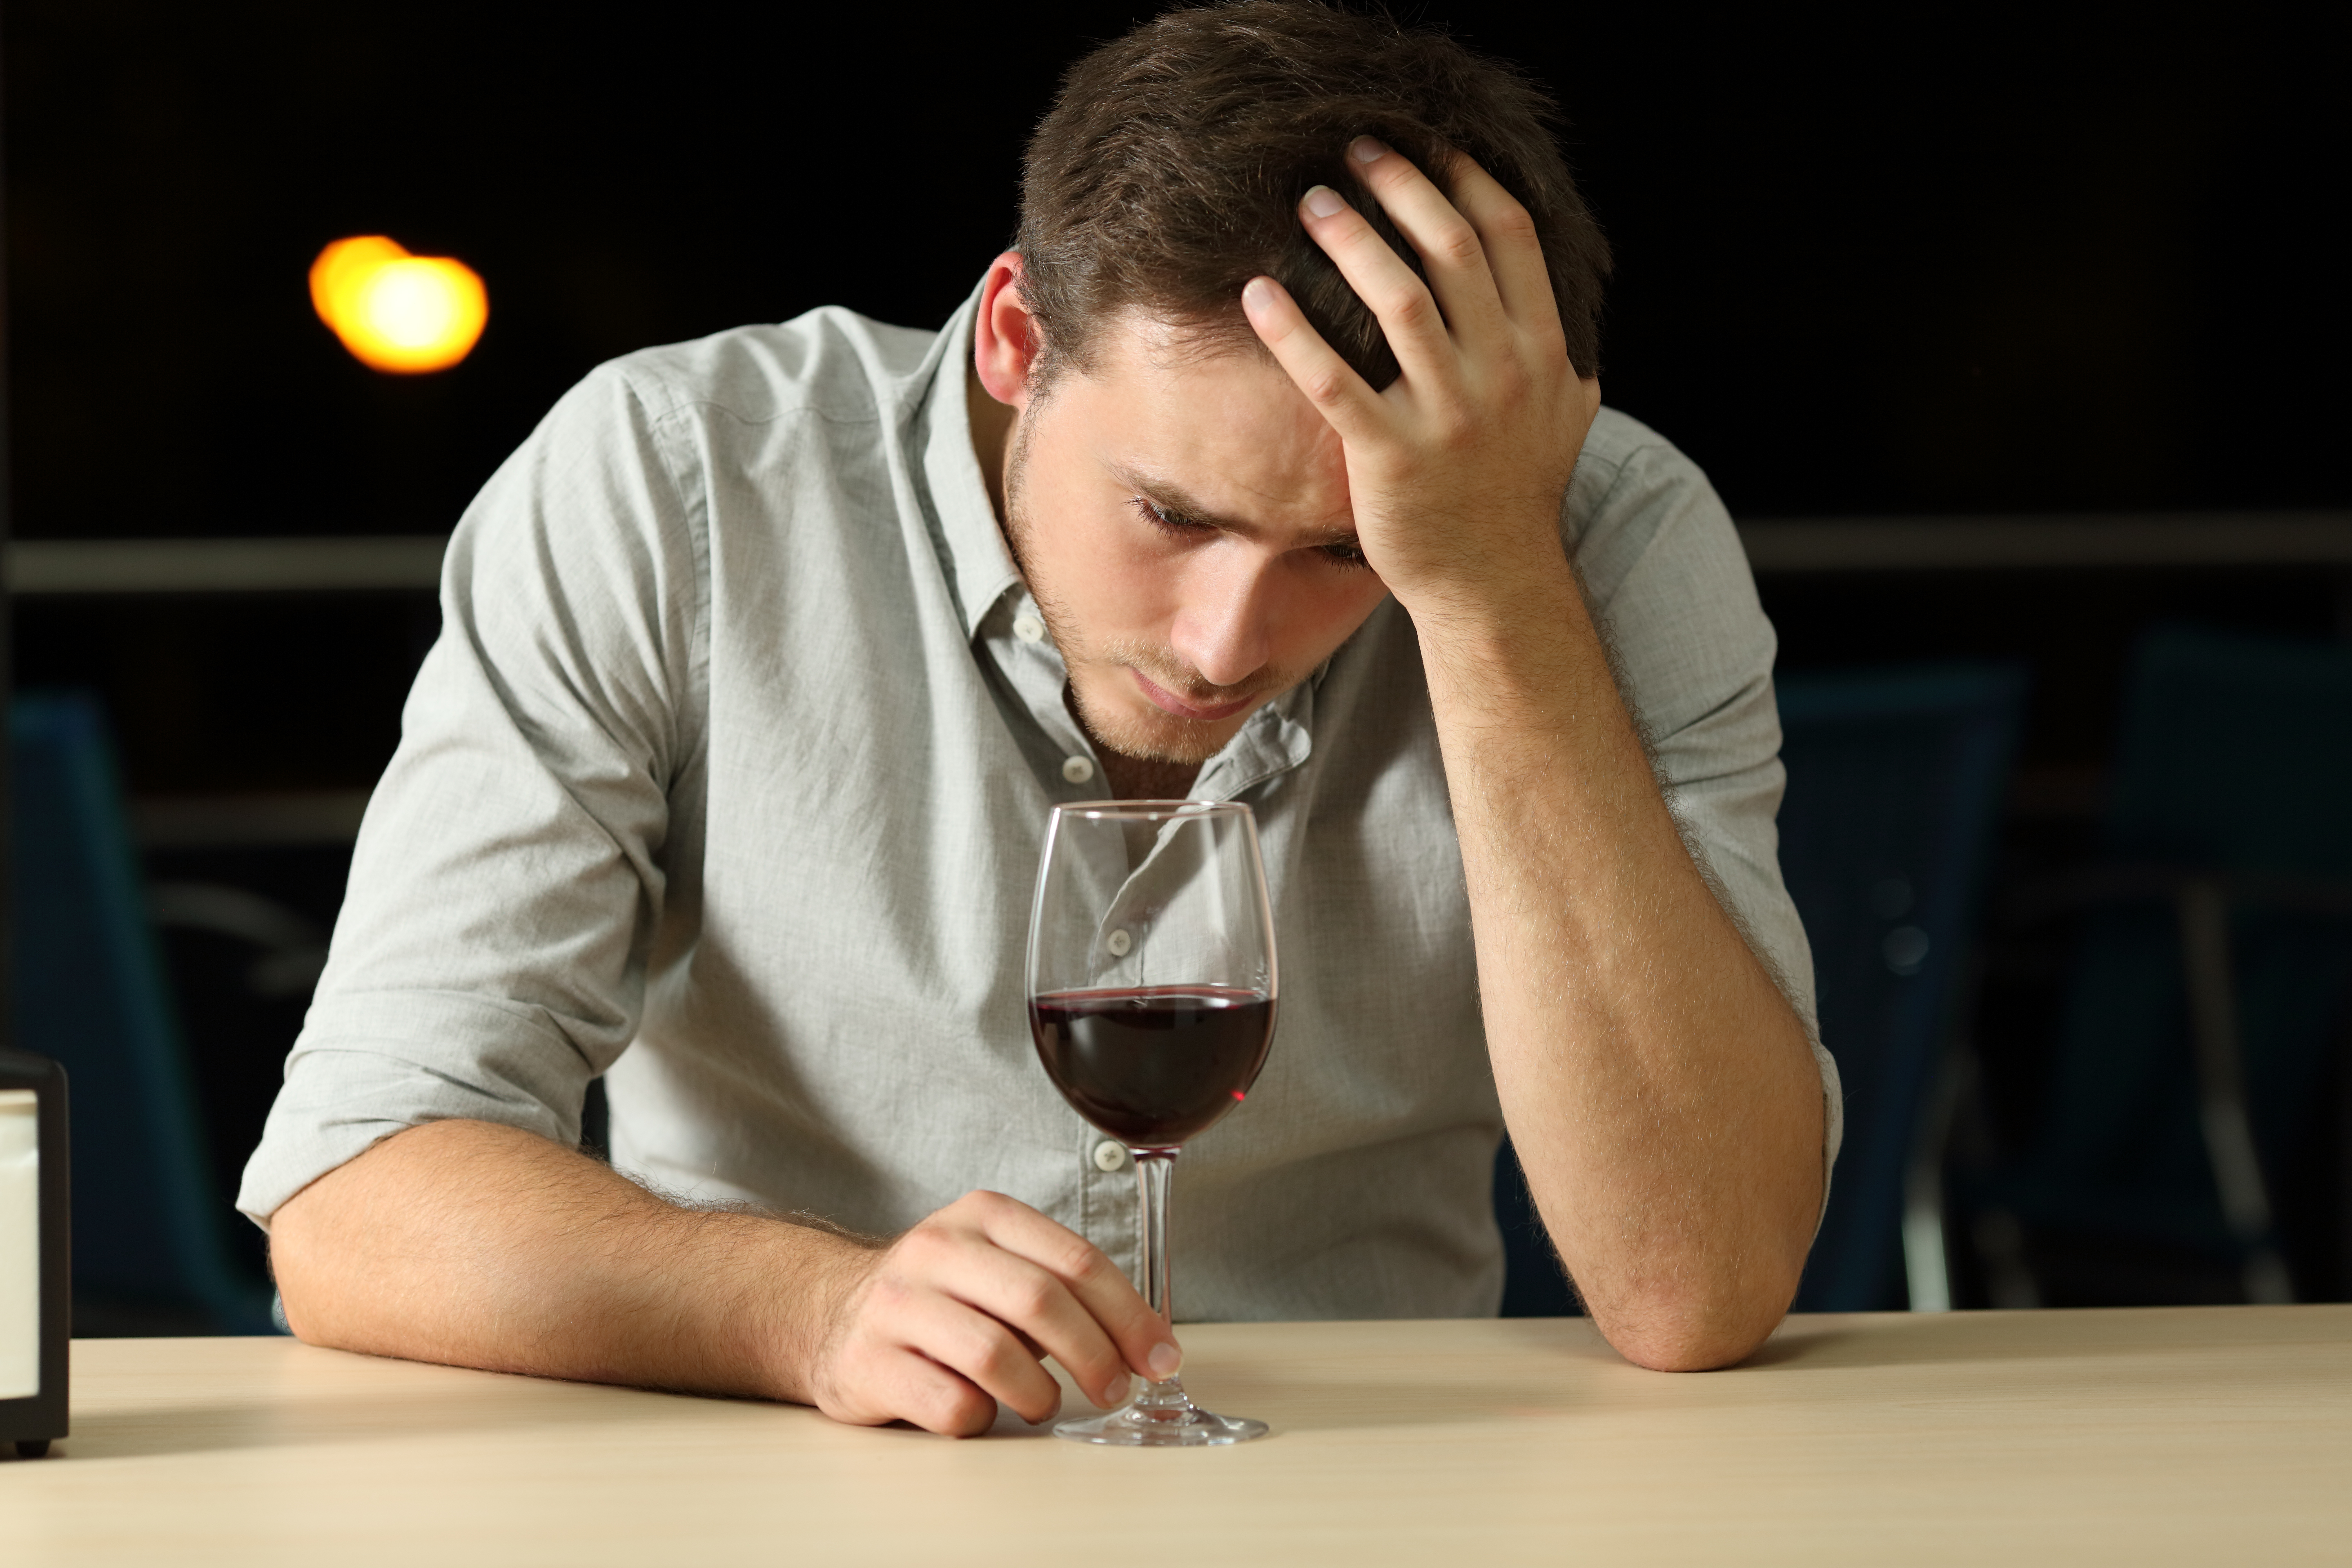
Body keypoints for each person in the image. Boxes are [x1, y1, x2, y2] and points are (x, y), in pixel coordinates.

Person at [244, 0, 1840, 1437]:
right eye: (1168, 512)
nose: (1226, 646)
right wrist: (809, 1312)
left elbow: (1697, 1289)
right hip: (773, 1480)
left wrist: (1487, 586)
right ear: (1015, 338)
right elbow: (356, 1192)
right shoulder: (676, 484)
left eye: (1344, 553)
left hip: (1375, 1486)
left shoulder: (1593, 536)